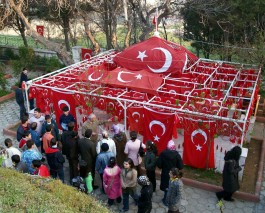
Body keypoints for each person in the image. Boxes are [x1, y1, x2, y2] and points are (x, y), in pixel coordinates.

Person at [157, 140, 183, 206]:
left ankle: (166, 200)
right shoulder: (177, 155)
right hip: (174, 174)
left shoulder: (163, 153)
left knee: (166, 186)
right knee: (173, 187)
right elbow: (180, 166)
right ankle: (171, 200)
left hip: (165, 173)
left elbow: (159, 165)